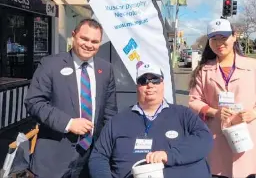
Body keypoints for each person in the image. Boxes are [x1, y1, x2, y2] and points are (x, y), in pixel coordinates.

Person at [25, 18, 118, 178]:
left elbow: (109, 112)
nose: (89, 45)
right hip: (54, 159)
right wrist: (69, 123)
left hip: (90, 159)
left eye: (95, 41)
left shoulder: (106, 69)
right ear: (73, 35)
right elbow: (34, 102)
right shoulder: (50, 64)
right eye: (84, 38)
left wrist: (109, 150)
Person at [89, 62, 213, 178]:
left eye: (155, 80)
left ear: (163, 84)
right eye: (144, 81)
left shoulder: (183, 114)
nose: (150, 85)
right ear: (137, 86)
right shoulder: (117, 121)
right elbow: (99, 156)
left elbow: (204, 139)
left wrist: (168, 156)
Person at [189, 18, 256, 178]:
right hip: (217, 137)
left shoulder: (253, 66)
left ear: (235, 36)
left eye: (224, 37)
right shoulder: (204, 70)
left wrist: (255, 112)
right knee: (218, 172)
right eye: (214, 39)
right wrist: (214, 112)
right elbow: (194, 100)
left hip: (247, 134)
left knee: (246, 172)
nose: (219, 42)